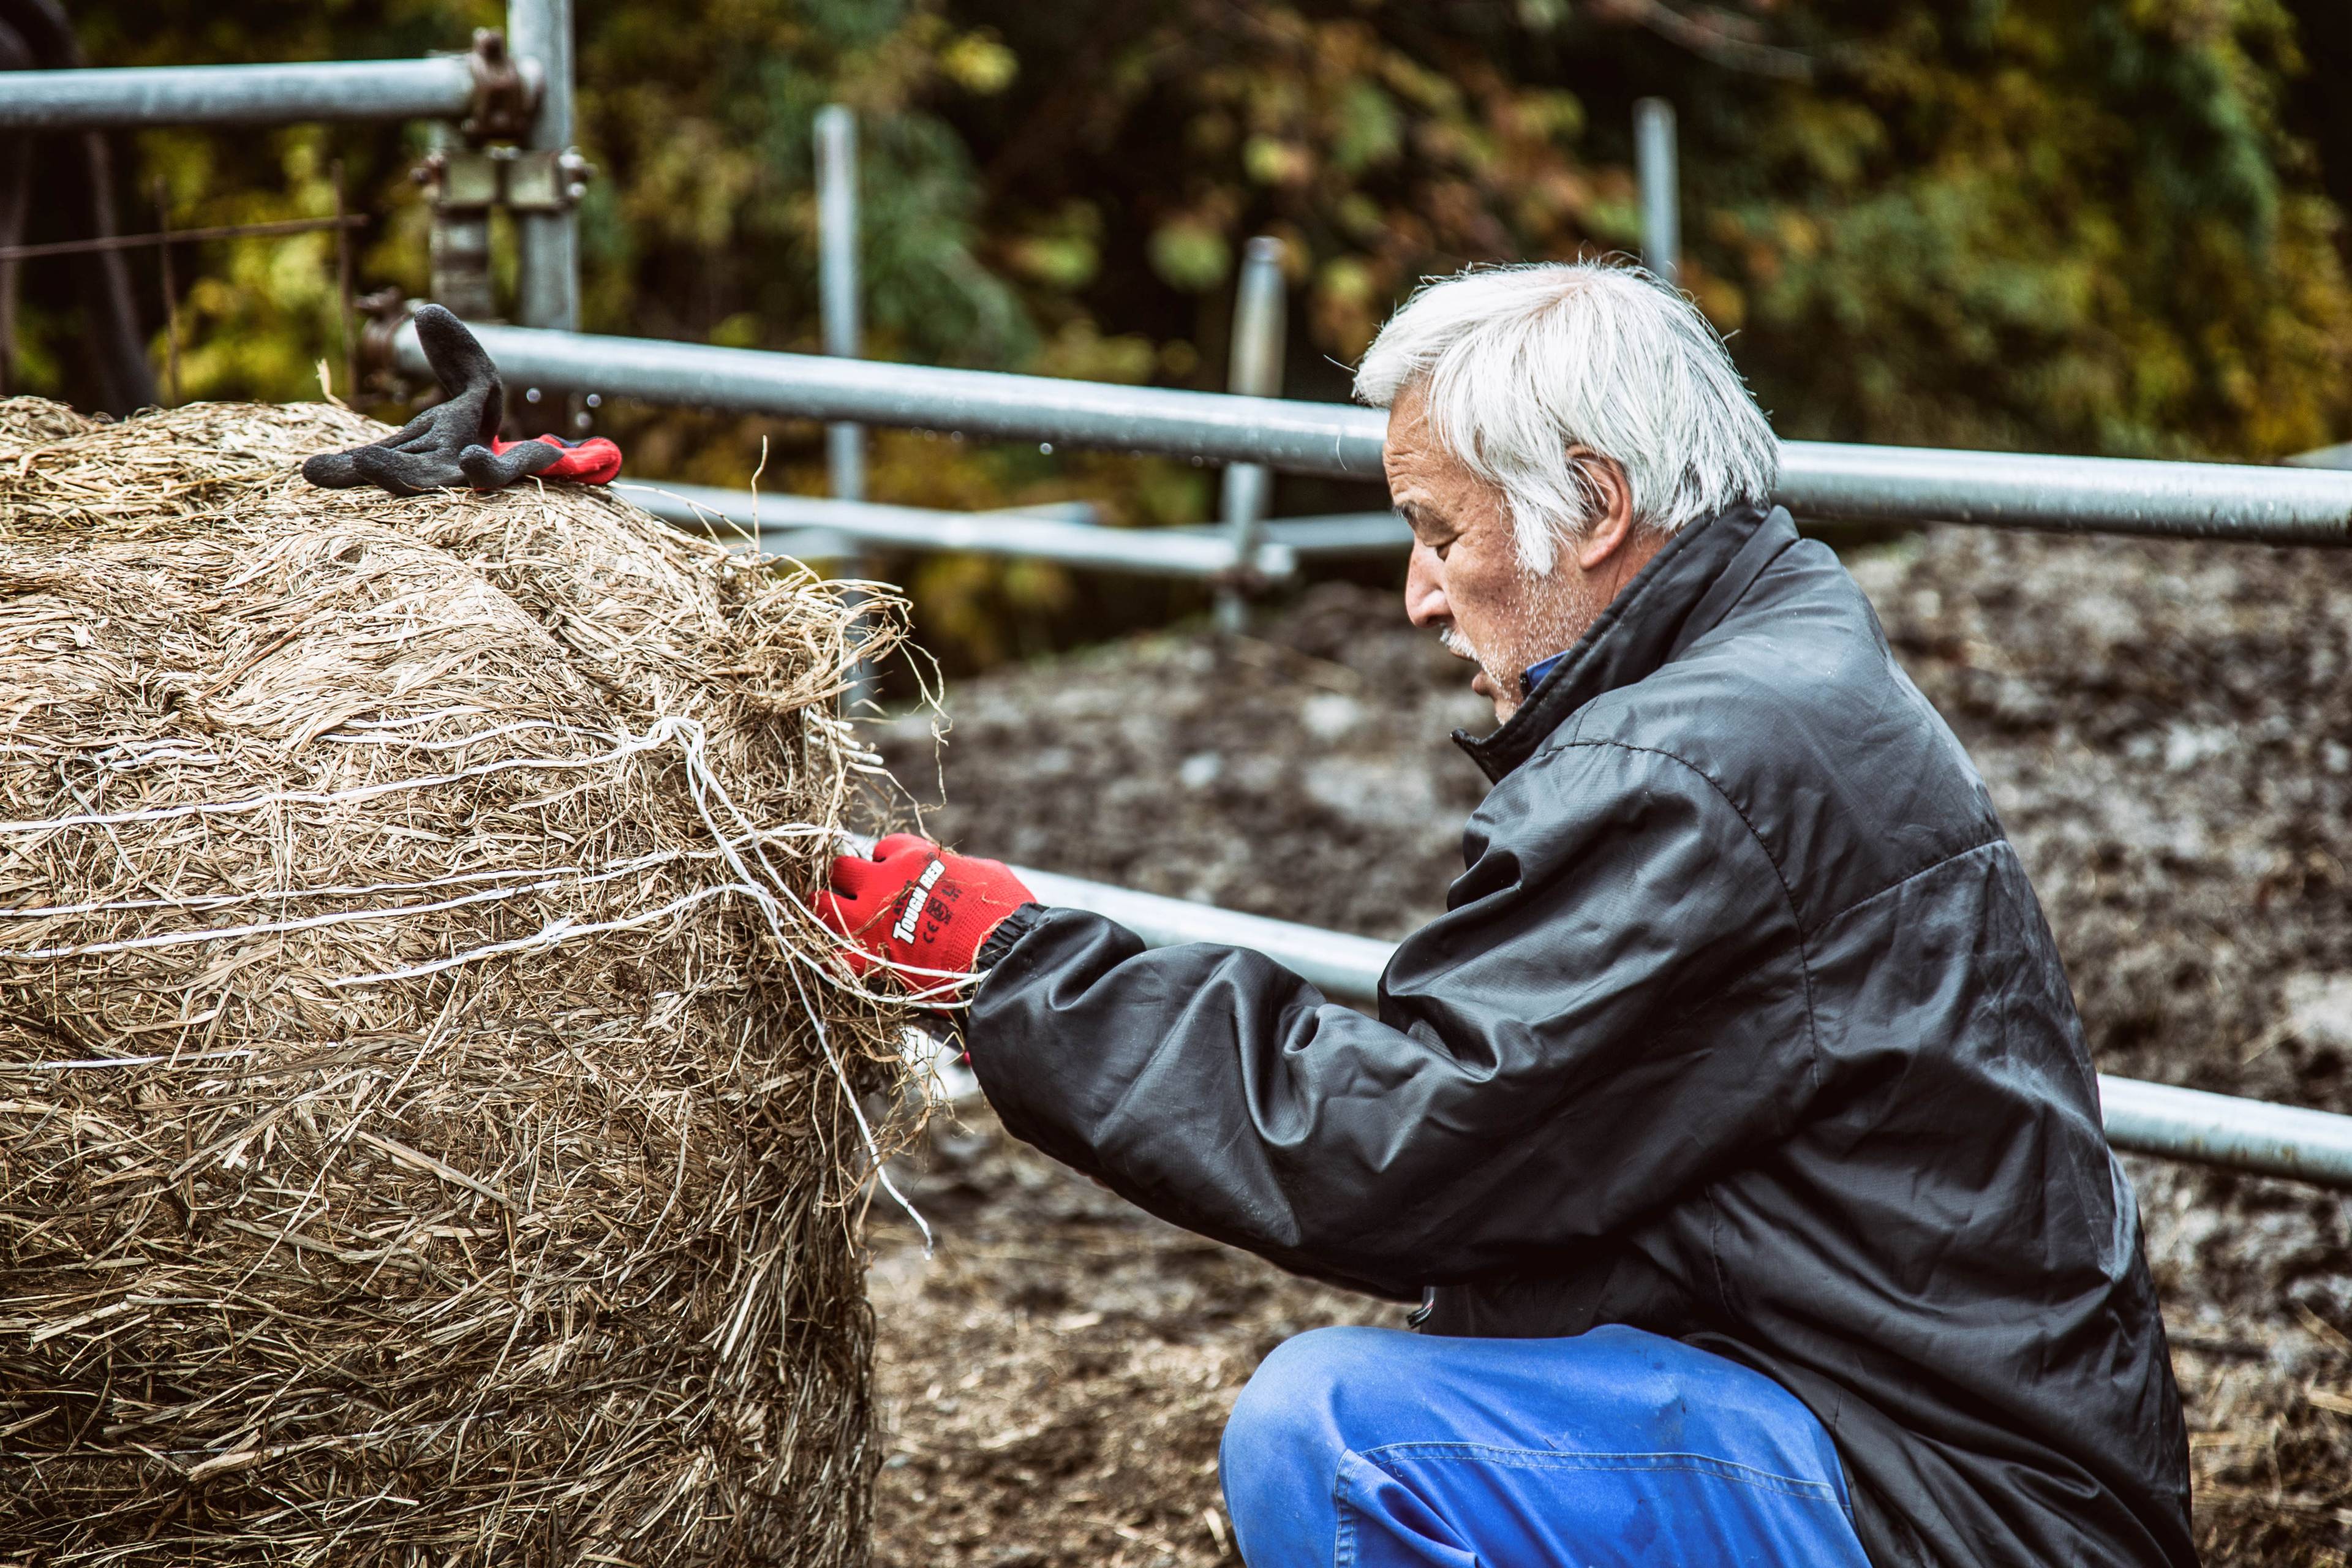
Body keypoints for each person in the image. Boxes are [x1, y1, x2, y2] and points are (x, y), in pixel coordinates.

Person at [812, 262, 2195, 1568]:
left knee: (1348, 1437)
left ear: (1594, 506)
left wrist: (1013, 966)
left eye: (1438, 531)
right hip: (1943, 1440)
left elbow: (1398, 1142)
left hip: (1953, 1503)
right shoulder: (1777, 662)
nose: (1418, 594)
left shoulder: (1686, 766)